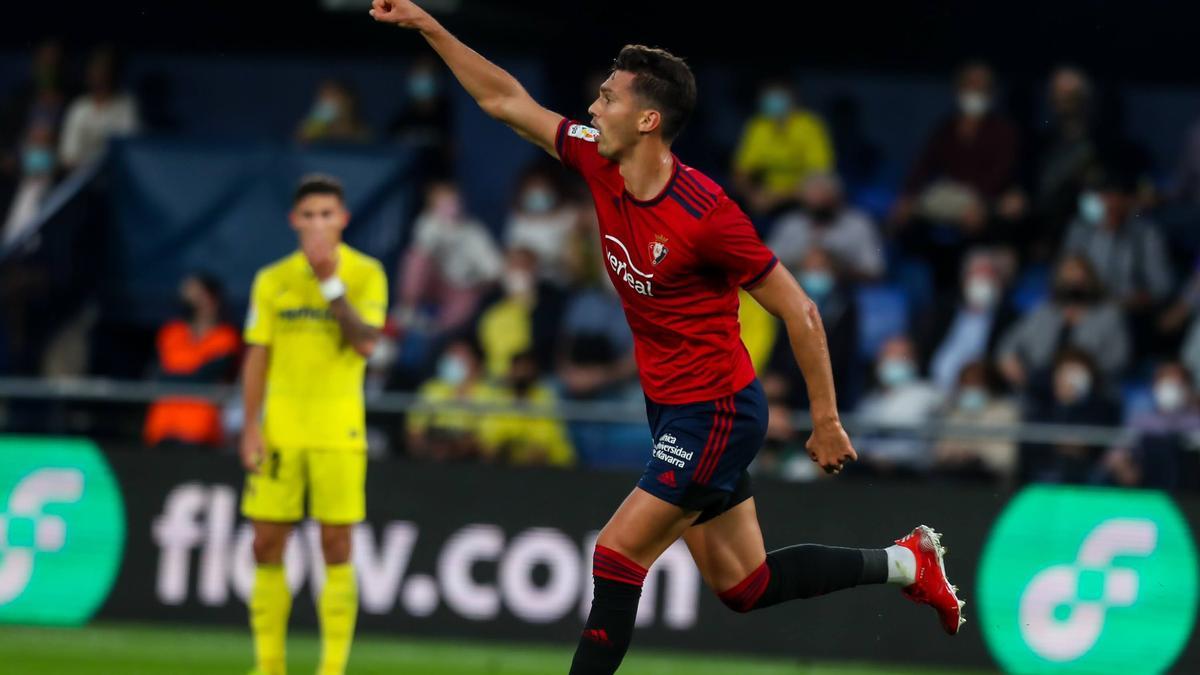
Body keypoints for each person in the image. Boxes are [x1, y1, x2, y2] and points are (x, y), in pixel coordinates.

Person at [370, 5, 964, 674]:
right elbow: (506, 101)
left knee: (616, 554)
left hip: (717, 410)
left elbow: (801, 309)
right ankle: (906, 561)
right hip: (672, 406)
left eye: (608, 97)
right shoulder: (598, 160)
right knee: (745, 586)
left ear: (647, 119)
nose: (593, 106)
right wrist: (430, 27)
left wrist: (825, 418)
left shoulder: (706, 214)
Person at [239, 174, 387, 675]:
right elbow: (257, 357)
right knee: (265, 543)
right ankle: (269, 665)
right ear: (294, 221)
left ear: (343, 219)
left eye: (328, 214)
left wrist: (329, 283)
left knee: (337, 546)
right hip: (280, 432)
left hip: (338, 432)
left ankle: (331, 669)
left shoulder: (366, 273)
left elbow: (365, 343)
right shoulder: (272, 279)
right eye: (310, 215)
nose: (319, 223)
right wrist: (250, 428)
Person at [891, 62, 1023, 286]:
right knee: (909, 220)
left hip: (986, 205)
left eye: (981, 88)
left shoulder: (1003, 130)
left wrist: (982, 203)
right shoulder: (946, 127)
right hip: (950, 203)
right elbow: (923, 166)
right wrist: (908, 196)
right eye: (969, 86)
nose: (974, 93)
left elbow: (1002, 173)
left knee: (995, 215)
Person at [997, 254, 1130, 389]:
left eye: (1079, 281)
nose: (1073, 284)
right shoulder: (1044, 311)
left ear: (1091, 281)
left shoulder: (1108, 314)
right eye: (1067, 280)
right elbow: (1010, 341)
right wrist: (1009, 359)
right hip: (1038, 385)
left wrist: (1085, 374)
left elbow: (1119, 358)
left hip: (1090, 389)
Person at [143, 273, 240, 449]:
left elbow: (205, 377)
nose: (189, 300)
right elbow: (155, 375)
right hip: (162, 427)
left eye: (197, 294)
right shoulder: (171, 332)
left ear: (212, 299)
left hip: (200, 430)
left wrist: (174, 378)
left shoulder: (225, 337)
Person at [394, 180, 503, 337]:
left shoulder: (474, 231)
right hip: (433, 282)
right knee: (415, 258)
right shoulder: (427, 223)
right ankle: (407, 308)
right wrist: (440, 228)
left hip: (461, 287)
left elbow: (493, 270)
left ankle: (438, 332)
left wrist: (475, 280)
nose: (448, 205)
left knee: (468, 299)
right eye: (441, 201)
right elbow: (420, 253)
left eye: (451, 200)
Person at [918, 249, 1019, 394]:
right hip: (932, 389)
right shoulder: (941, 312)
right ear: (965, 279)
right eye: (978, 275)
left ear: (1000, 283)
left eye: (989, 277)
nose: (983, 282)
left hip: (980, 393)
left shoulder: (1008, 320)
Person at [732, 80, 834, 217]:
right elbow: (741, 171)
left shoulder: (810, 126)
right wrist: (752, 196)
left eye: (778, 98)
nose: (773, 103)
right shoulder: (758, 126)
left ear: (793, 99)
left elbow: (819, 176)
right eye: (768, 98)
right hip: (764, 200)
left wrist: (777, 198)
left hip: (801, 199)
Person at [1018, 348, 1120, 484]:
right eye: (1065, 373)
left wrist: (1081, 442)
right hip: (1048, 470)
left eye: (1076, 374)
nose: (1069, 380)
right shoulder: (1041, 404)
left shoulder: (1103, 406)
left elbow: (1104, 440)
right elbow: (1030, 444)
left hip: (1090, 470)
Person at [1101, 361, 1200, 490]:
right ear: (1155, 387)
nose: (1171, 390)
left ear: (1188, 389)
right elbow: (1114, 455)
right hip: (1146, 487)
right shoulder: (1141, 421)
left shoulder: (1196, 421)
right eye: (1167, 384)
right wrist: (1124, 468)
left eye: (1177, 385)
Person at [768, 172, 885, 281]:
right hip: (793, 292)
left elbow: (875, 270)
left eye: (824, 197)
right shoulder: (790, 224)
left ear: (837, 197)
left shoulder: (859, 224)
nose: (818, 202)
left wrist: (836, 268)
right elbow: (767, 266)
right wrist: (800, 263)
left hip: (844, 294)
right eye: (813, 198)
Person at [854, 335, 944, 472]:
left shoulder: (929, 395)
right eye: (889, 355)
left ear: (914, 361)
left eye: (900, 355)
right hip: (868, 471)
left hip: (909, 473)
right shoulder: (869, 401)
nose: (893, 361)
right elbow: (858, 441)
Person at [478, 349, 576, 467]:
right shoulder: (499, 400)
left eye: (526, 369)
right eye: (518, 369)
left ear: (535, 372)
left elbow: (540, 451)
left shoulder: (545, 398)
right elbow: (490, 445)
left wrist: (513, 448)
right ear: (510, 371)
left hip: (554, 469)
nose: (522, 374)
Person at [932, 361, 1019, 482]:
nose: (971, 389)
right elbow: (941, 452)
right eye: (967, 384)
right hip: (953, 474)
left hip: (989, 478)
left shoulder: (1005, 412)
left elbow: (1005, 458)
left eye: (976, 384)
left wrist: (976, 457)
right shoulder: (955, 413)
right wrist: (957, 455)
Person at [406, 337, 490, 461]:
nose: (453, 361)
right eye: (451, 355)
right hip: (433, 457)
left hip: (472, 461)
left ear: (475, 362)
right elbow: (414, 431)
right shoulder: (432, 388)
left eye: (460, 357)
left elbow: (487, 442)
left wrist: (458, 447)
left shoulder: (488, 394)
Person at [504, 163, 586, 287]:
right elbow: (512, 252)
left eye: (542, 187)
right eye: (533, 187)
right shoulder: (518, 219)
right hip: (529, 281)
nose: (538, 193)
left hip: (560, 282)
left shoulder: (568, 215)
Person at [58, 45, 139, 171]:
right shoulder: (79, 106)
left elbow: (129, 152)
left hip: (117, 176)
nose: (99, 73)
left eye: (105, 67)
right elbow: (69, 156)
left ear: (114, 71)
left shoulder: (127, 104)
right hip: (80, 177)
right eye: (95, 67)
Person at [297, 78, 372, 143]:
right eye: (322, 96)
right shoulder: (315, 135)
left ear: (348, 100)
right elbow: (298, 147)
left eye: (333, 95)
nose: (326, 102)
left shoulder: (365, 135)